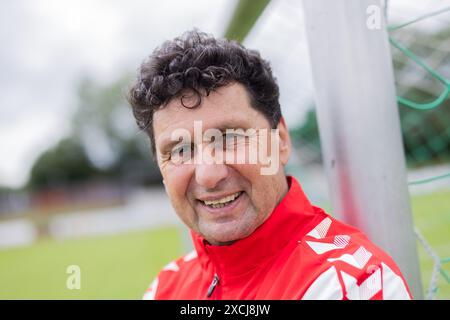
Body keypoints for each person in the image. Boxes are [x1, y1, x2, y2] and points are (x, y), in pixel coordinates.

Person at [127, 29, 412, 300]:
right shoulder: (165, 288)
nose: (209, 175)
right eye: (180, 149)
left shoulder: (349, 284)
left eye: (229, 137)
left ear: (282, 141)